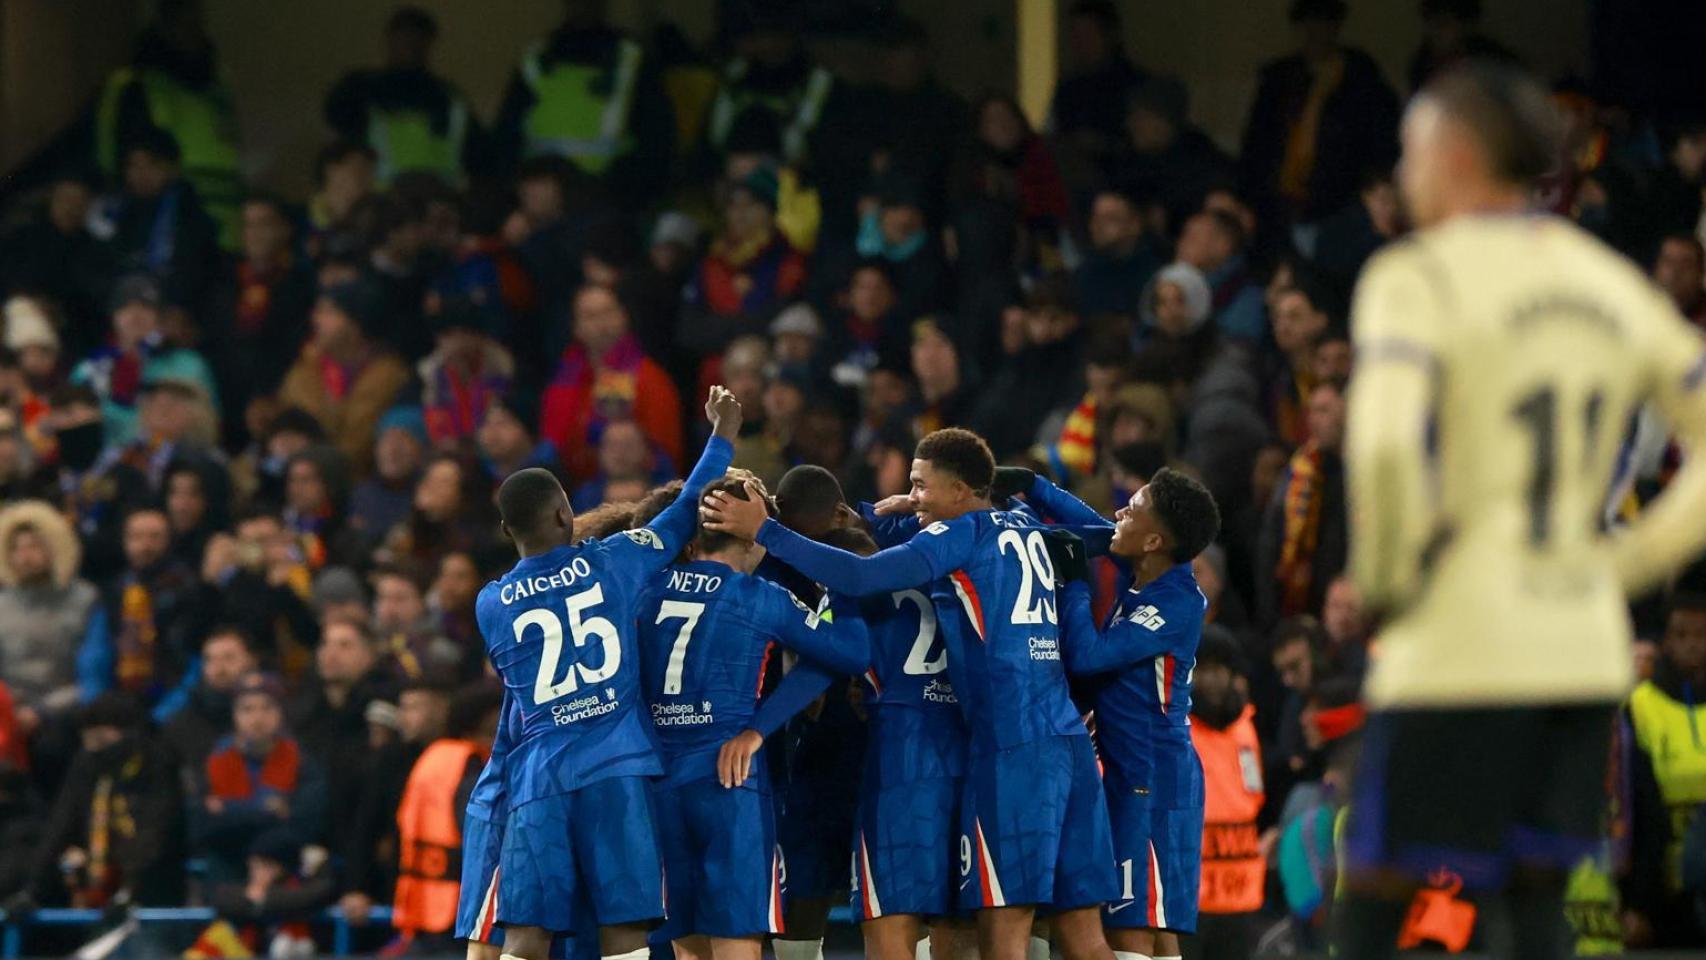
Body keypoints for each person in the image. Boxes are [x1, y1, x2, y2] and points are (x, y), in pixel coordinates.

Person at [1336, 62, 1706, 959]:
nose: (1404, 175)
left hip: (1463, 639)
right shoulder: (1609, 282)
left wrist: (1386, 576)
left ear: (1457, 156)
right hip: (1581, 644)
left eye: (1412, 152)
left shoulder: (1416, 276)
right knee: (1537, 901)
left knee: (1377, 892)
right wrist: (1626, 563)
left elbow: (1383, 447)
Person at [702, 428, 1118, 960]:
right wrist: (1036, 487)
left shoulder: (947, 541)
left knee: (984, 938)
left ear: (960, 491)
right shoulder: (1025, 524)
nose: (912, 496)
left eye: (921, 486)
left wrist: (767, 531)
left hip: (974, 754)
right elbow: (1108, 537)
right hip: (1053, 739)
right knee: (1079, 939)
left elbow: (854, 589)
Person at [471, 385, 740, 960]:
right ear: (565, 514)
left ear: (508, 532)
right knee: (625, 927)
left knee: (526, 934)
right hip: (616, 768)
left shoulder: (490, 603)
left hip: (538, 780)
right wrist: (723, 435)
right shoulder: (614, 561)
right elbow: (682, 512)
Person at [634, 475, 869, 960]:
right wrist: (759, 728)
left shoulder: (645, 588)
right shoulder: (761, 597)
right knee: (736, 941)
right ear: (750, 536)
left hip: (658, 782)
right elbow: (850, 652)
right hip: (730, 782)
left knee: (687, 947)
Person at [1027, 467, 1220, 960]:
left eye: (1131, 511)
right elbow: (1094, 528)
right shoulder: (1147, 575)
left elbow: (1089, 657)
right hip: (1139, 773)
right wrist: (1033, 486)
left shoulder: (1175, 603)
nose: (1118, 514)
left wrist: (1075, 584)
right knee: (1156, 925)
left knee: (1133, 927)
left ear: (1153, 541)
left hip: (1153, 777)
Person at [492, 0, 674, 204]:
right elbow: (505, 143)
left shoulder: (631, 62)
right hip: (539, 204)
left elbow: (657, 147)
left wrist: (615, 194)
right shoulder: (535, 61)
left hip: (610, 204)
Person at [93, 0, 243, 247]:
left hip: (227, 229)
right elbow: (118, 161)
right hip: (166, 230)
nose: (190, 29)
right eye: (182, 21)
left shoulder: (218, 82)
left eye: (195, 20)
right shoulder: (137, 84)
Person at [1238, 0, 1400, 226]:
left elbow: (1379, 139)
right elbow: (1256, 143)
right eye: (1307, 27)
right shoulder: (1280, 78)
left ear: (1335, 28)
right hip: (1279, 204)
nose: (1314, 35)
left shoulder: (1359, 78)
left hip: (1340, 203)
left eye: (1321, 26)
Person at [26, 693, 185, 908]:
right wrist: (33, 891)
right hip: (98, 891)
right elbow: (60, 828)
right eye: (88, 740)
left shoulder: (156, 767)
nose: (94, 748)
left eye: (101, 739)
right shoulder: (86, 768)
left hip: (153, 896)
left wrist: (129, 890)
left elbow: (155, 833)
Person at [388, 683, 504, 949]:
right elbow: (484, 834)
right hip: (460, 907)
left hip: (423, 902)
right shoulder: (470, 765)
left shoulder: (434, 757)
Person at [1624, 595, 1706, 947]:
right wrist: (1637, 902)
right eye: (1681, 635)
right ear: (1665, 642)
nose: (1692, 644)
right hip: (1659, 881)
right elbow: (1633, 804)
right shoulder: (1640, 704)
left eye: (1701, 635)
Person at [539, 284, 683, 482]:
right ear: (576, 327)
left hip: (635, 485)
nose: (602, 323)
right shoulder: (564, 377)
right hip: (571, 484)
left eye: (608, 312)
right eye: (591, 316)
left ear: (624, 317)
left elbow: (666, 451)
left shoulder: (648, 377)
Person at [194, 672, 327, 886]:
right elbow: (204, 827)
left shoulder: (302, 761)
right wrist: (270, 811)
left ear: (280, 712)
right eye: (247, 709)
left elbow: (305, 825)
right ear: (234, 715)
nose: (257, 718)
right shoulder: (214, 760)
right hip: (226, 872)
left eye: (267, 708)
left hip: (285, 872)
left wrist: (230, 809)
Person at [205, 195, 316, 448]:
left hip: (271, 404)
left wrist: (268, 394)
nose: (254, 233)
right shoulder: (223, 278)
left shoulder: (301, 285)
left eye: (264, 224)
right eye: (248, 225)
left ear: (285, 230)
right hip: (222, 400)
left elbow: (294, 346)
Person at [323, 6, 479, 184]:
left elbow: (479, 158)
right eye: (405, 38)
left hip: (440, 199)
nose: (411, 46)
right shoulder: (360, 91)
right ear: (390, 40)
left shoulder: (451, 100)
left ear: (429, 43)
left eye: (417, 39)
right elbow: (338, 131)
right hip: (382, 199)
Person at [278, 279, 413, 477]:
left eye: (328, 312)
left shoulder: (388, 377)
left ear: (355, 323)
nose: (316, 319)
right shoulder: (306, 369)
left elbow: (357, 448)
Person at [1186, 631, 1267, 960]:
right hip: (1190, 898)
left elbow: (1253, 799)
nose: (1212, 679)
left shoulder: (1245, 726)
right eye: (1203, 669)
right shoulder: (1177, 727)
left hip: (1240, 895)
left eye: (1220, 669)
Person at [72, 274, 218, 449]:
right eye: (125, 306)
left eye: (145, 307)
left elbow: (209, 421)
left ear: (159, 317)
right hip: (108, 460)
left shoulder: (189, 365)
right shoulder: (89, 370)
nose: (135, 314)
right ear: (113, 315)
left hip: (180, 457)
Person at [87, 506, 201, 722]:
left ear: (169, 540)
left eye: (154, 537)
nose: (145, 545)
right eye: (136, 537)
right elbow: (94, 654)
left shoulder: (190, 589)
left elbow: (193, 659)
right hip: (118, 697)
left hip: (171, 700)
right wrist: (97, 705)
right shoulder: (114, 590)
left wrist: (161, 716)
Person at [1258, 382, 1348, 626]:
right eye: (1311, 411)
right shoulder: (1299, 473)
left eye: (1324, 410)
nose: (1314, 420)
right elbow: (1271, 541)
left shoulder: (1364, 473)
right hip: (1299, 605)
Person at [1049, 0, 1148, 170]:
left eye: (1088, 35)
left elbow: (1151, 144)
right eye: (1075, 36)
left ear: (1110, 35)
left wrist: (1105, 145)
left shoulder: (1138, 86)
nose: (1080, 44)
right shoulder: (1068, 89)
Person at [417, 299, 516, 451]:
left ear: (480, 338)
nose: (457, 343)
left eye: (464, 334)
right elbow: (436, 429)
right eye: (448, 335)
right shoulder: (430, 378)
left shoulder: (502, 373)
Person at [160, 626, 259, 774]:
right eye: (210, 660)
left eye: (229, 658)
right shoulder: (182, 725)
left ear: (252, 660)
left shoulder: (279, 714)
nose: (219, 668)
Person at [1173, 211, 1266, 345]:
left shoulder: (1247, 297)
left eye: (1192, 238)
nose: (1181, 245)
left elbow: (1238, 348)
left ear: (1222, 245)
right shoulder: (1172, 284)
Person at [1075, 189, 1162, 320]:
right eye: (1095, 218)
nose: (1097, 226)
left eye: (1109, 219)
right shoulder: (1084, 274)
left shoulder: (1155, 273)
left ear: (1134, 224)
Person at [1653, 233, 1706, 328]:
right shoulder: (1640, 306)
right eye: (1669, 261)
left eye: (1686, 264)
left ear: (1701, 272)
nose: (1675, 271)